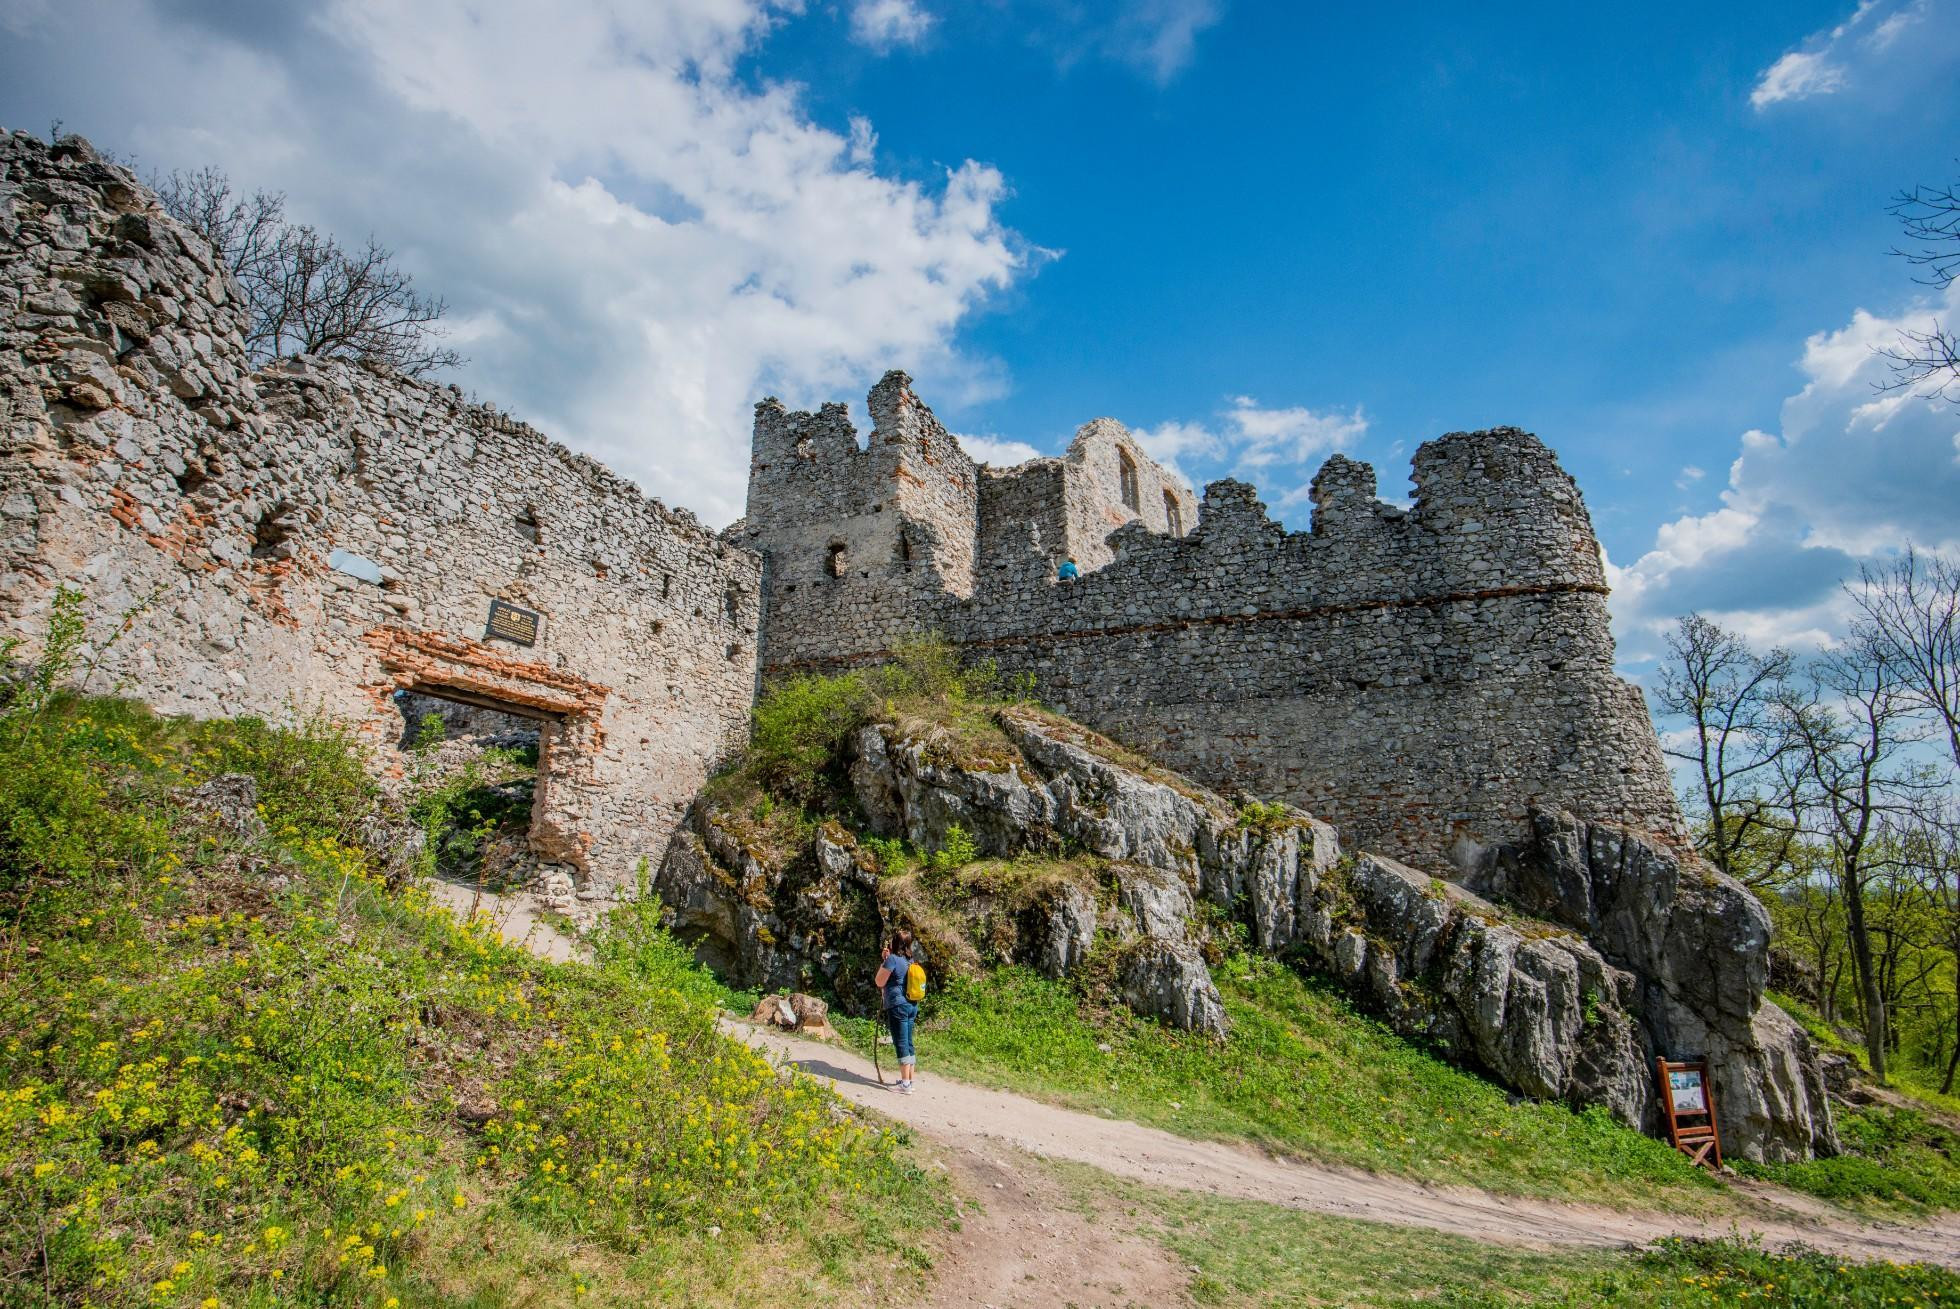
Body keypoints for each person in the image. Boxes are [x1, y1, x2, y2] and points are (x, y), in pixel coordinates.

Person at [874, 928, 920, 1094]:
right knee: (908, 1042)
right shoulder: (910, 960)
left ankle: (905, 1085)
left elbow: (879, 981)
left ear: (895, 942)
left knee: (900, 1042)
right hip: (911, 1005)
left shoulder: (892, 959)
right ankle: (909, 1080)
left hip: (897, 1005)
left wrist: (884, 961)